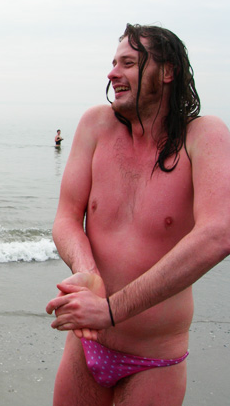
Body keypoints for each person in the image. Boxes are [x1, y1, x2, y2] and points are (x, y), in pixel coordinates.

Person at [45, 24, 230, 405]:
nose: (112, 73)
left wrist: (111, 311)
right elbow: (66, 218)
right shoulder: (96, 125)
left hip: (154, 358)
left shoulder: (203, 136)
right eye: (113, 63)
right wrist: (89, 275)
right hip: (85, 344)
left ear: (167, 71)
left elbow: (219, 232)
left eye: (128, 62)